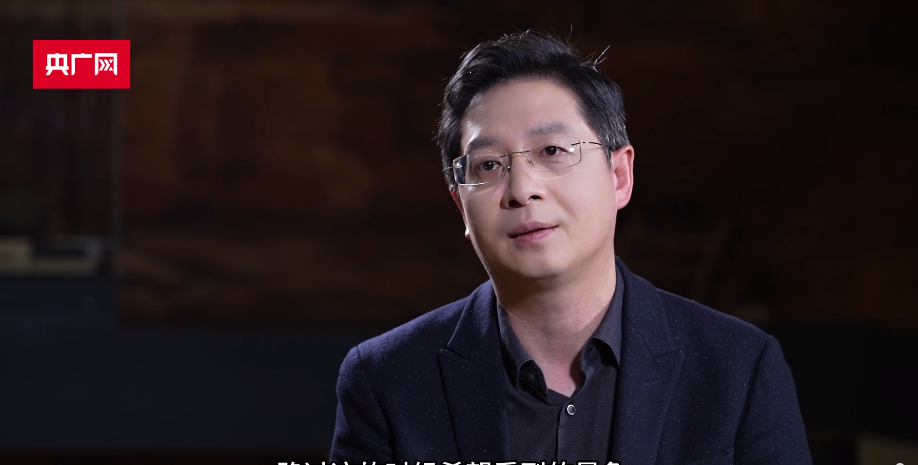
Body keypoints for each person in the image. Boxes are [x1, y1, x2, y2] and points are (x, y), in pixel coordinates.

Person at [330, 30, 811, 464]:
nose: (522, 190)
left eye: (552, 151)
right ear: (461, 208)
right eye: (488, 165)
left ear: (619, 176)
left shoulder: (739, 367)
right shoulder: (385, 380)